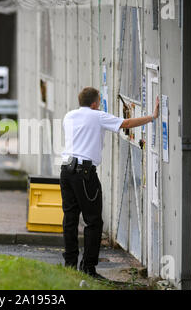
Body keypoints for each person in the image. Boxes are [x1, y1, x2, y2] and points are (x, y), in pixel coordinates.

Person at [60, 87, 159, 279]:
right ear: (95, 103)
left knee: (70, 219)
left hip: (66, 171)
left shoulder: (69, 116)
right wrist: (152, 117)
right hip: (85, 174)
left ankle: (70, 264)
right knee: (93, 221)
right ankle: (88, 268)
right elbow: (126, 123)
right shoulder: (97, 116)